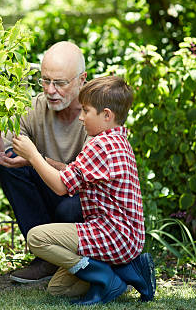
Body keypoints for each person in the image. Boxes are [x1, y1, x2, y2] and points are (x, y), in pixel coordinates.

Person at [12, 76, 155, 304]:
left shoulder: (100, 145)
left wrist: (33, 154)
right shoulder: (117, 140)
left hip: (112, 234)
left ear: (107, 115)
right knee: (58, 289)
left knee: (36, 238)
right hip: (126, 237)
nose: (80, 117)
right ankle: (128, 271)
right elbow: (74, 171)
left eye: (86, 111)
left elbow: (60, 186)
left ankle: (104, 276)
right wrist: (36, 162)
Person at [0, 41, 88, 283]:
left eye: (60, 83)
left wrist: (36, 160)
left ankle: (74, 259)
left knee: (70, 206)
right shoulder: (35, 108)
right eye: (45, 81)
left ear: (81, 80)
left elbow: (90, 179)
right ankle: (45, 258)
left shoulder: (97, 114)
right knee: (10, 161)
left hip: (85, 204)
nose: (50, 90)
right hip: (52, 193)